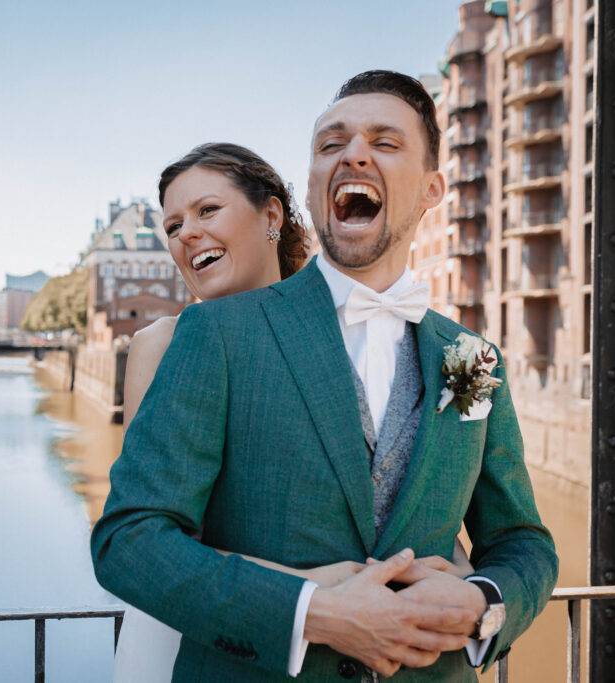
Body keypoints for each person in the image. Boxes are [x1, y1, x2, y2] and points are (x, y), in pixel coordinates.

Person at [92, 71, 557, 681]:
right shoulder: (217, 334)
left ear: (431, 188)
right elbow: (129, 540)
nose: (354, 153)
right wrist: (312, 612)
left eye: (384, 143)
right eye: (330, 144)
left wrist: (484, 605)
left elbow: (524, 542)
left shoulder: (474, 356)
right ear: (311, 190)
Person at [111, 143, 474, 682]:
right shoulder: (168, 342)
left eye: (207, 211)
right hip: (209, 642)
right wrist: (314, 596)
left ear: (272, 217)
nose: (185, 233)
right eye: (172, 225)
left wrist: (467, 589)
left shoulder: (408, 343)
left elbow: (423, 503)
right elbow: (151, 532)